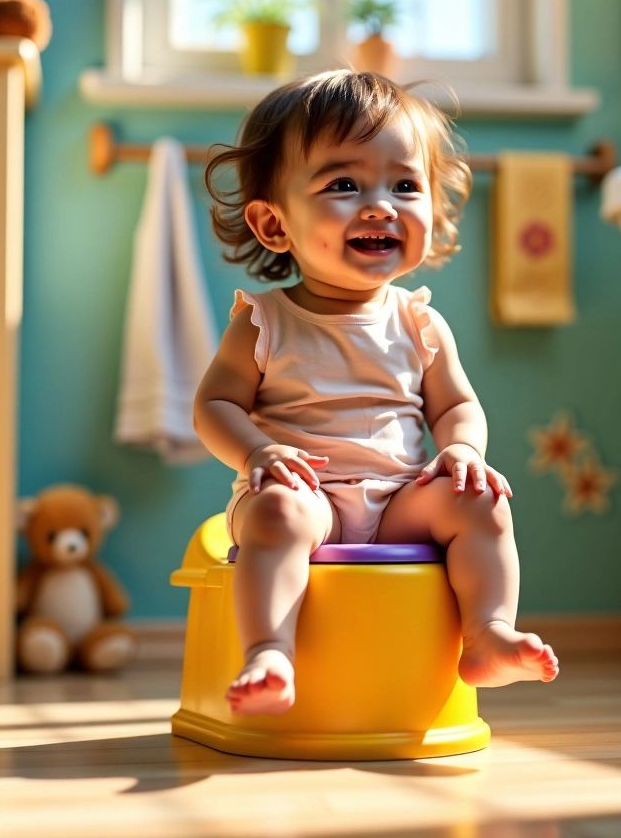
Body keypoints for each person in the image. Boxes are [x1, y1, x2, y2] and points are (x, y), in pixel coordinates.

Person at [195, 70, 559, 716]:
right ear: (274, 224)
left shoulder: (418, 322)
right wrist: (257, 456)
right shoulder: (264, 320)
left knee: (483, 504)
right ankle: (270, 652)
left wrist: (463, 452)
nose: (380, 205)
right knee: (277, 515)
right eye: (343, 184)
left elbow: (456, 407)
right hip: (306, 498)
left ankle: (487, 633)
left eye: (405, 185)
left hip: (398, 503)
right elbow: (214, 406)